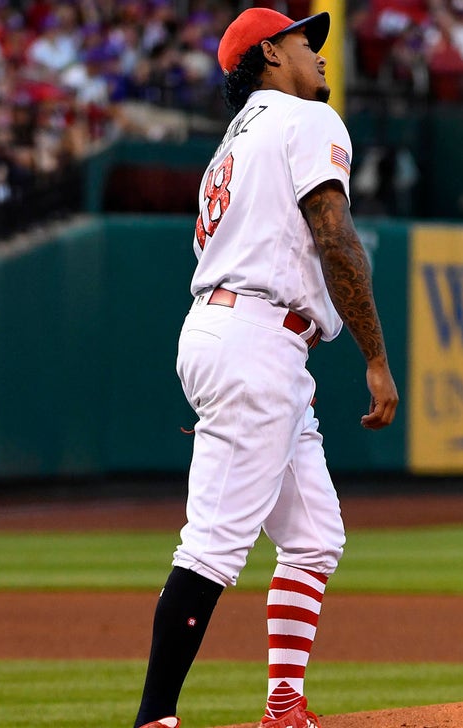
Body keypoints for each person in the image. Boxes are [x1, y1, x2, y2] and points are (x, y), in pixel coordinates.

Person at [134, 8, 399, 728]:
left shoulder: (235, 139)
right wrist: (376, 358)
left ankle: (284, 707)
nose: (316, 52)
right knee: (215, 545)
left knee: (314, 537)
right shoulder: (305, 119)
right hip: (256, 337)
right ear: (269, 54)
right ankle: (154, 718)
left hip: (238, 334)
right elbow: (335, 236)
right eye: (302, 41)